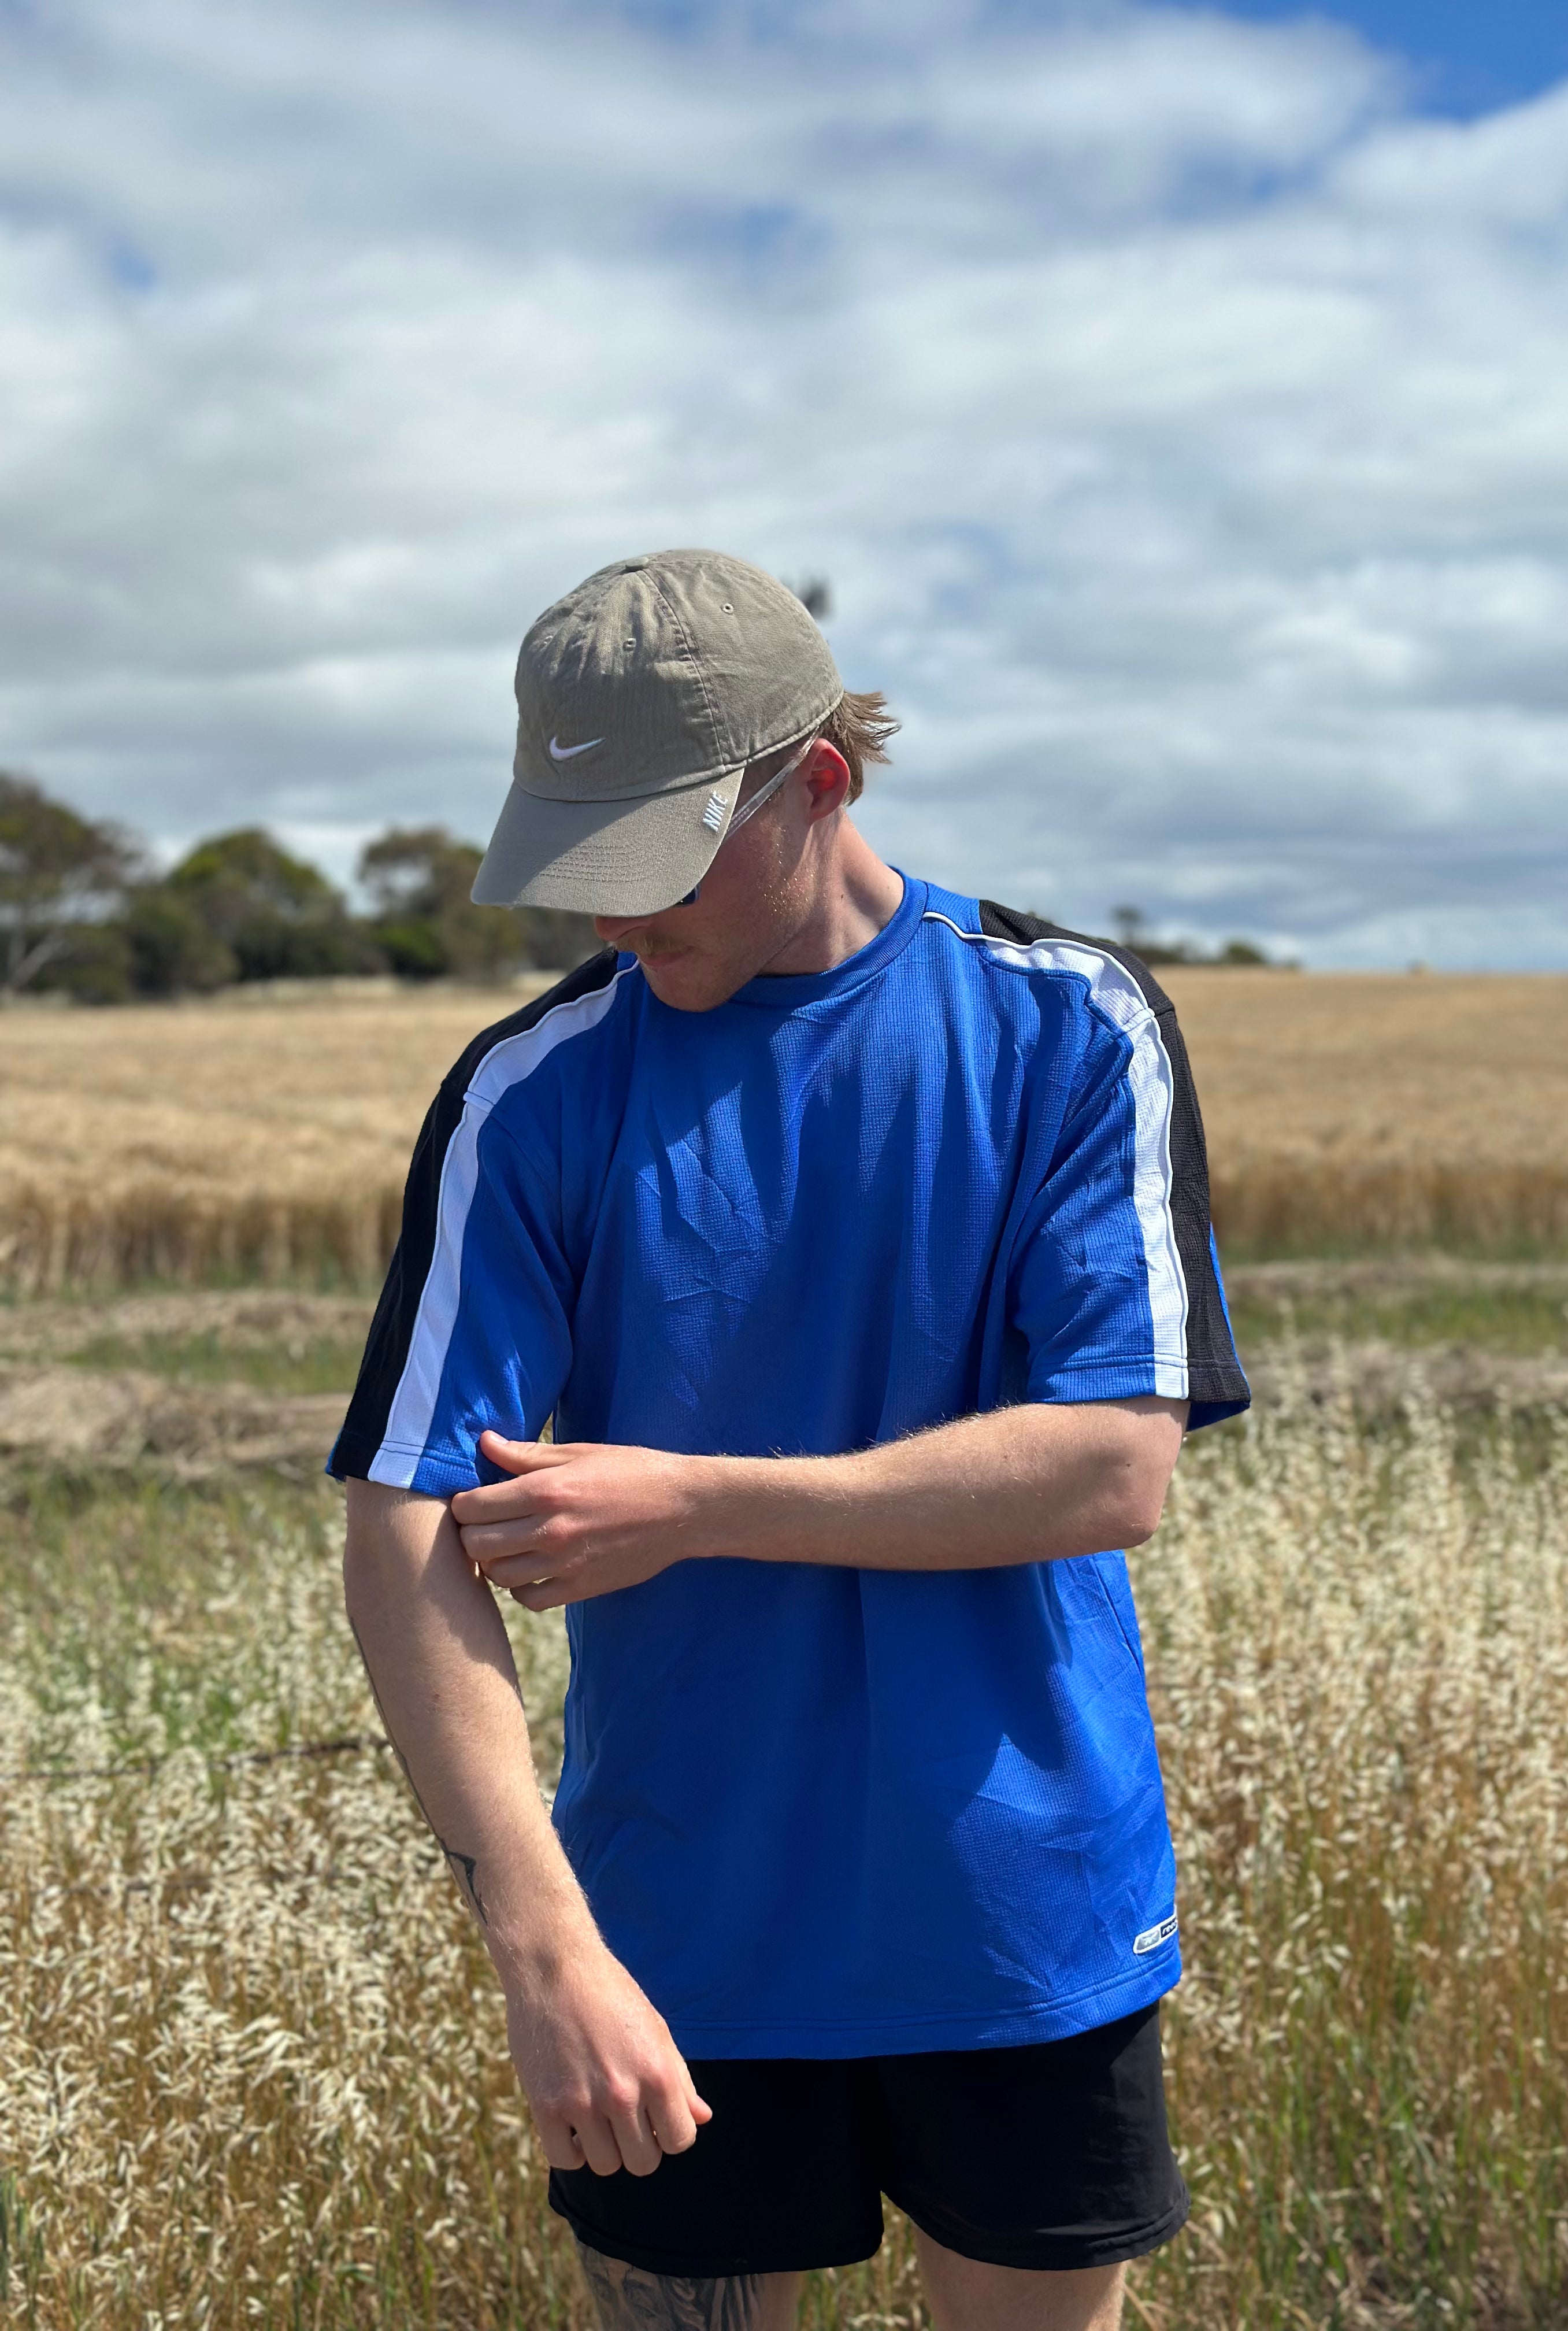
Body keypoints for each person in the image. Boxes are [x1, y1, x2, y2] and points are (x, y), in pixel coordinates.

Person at [332, 549, 1250, 2331]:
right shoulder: (532, 1092)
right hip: (672, 1934)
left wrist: (691, 1505)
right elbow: (408, 1524)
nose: (611, 921)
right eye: (572, 866)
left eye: (653, 864)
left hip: (1021, 1920)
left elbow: (1111, 1468)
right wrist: (544, 1944)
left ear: (816, 781)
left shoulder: (1071, 1023)